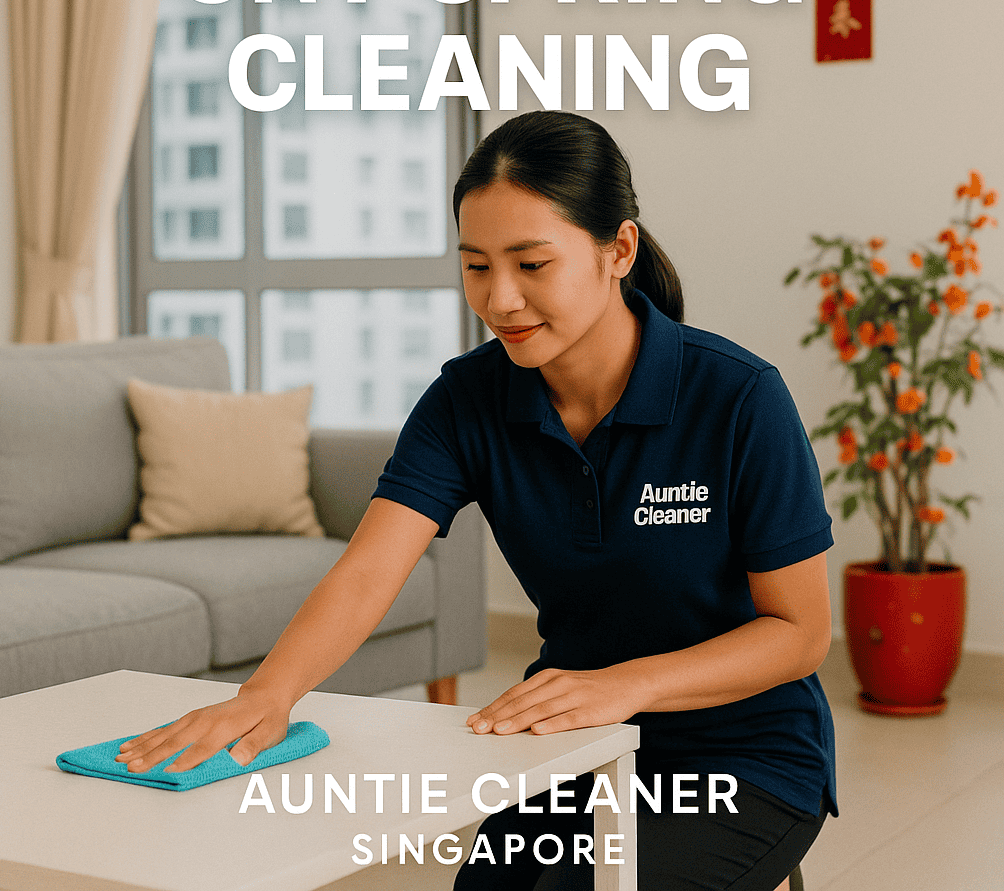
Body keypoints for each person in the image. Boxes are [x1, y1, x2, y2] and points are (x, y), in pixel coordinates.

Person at [116, 111, 836, 891]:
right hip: (567, 739)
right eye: (476, 267)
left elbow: (799, 633)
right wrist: (266, 696)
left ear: (616, 250)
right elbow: (368, 572)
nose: (500, 300)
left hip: (744, 754)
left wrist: (624, 685)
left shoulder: (738, 398)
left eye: (531, 264)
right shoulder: (468, 399)